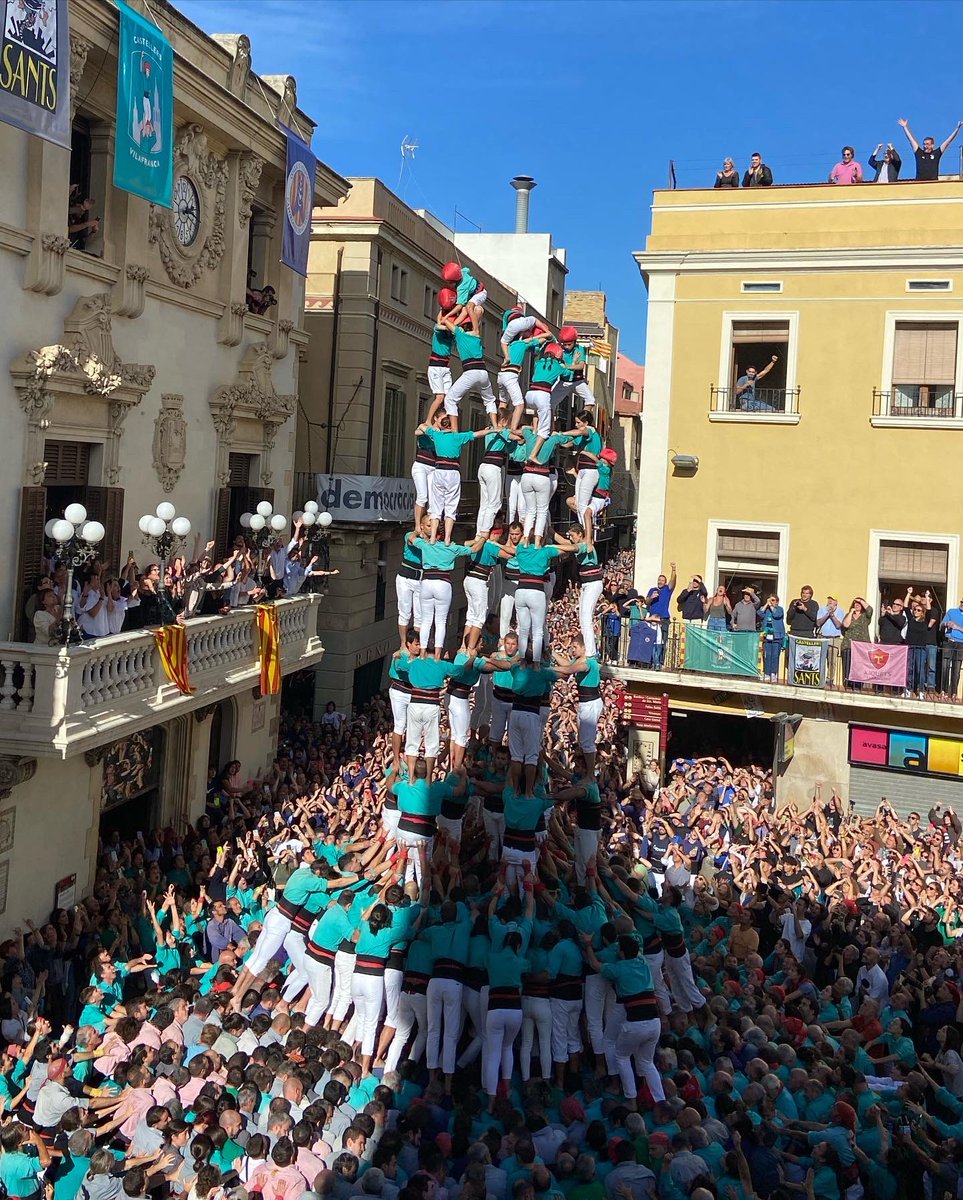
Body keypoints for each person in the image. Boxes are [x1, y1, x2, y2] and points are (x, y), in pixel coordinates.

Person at [898, 116, 963, 181]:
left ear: (932, 145)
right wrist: (905, 127)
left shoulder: (936, 153)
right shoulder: (919, 153)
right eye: (924, 144)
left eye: (927, 144)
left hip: (933, 183)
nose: (925, 146)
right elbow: (911, 140)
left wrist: (957, 128)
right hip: (919, 183)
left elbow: (948, 141)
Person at [645, 562, 676, 669]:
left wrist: (674, 570)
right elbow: (646, 602)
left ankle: (660, 662)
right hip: (652, 619)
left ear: (665, 582)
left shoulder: (667, 589)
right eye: (659, 580)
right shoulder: (652, 590)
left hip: (663, 619)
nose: (660, 582)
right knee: (651, 640)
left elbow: (673, 582)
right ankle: (651, 661)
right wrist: (652, 597)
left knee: (662, 640)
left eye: (662, 580)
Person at [816, 594, 845, 685]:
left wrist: (832, 615)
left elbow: (838, 625)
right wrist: (827, 614)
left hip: (834, 638)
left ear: (836, 602)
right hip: (822, 637)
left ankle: (830, 679)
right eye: (829, 600)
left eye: (832, 600)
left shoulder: (840, 611)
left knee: (832, 661)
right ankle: (819, 678)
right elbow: (818, 623)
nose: (830, 602)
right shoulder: (822, 609)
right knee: (820, 659)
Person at [940, 597, 963, 699]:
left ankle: (954, 693)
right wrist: (946, 623)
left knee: (956, 668)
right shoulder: (951, 611)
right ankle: (943, 691)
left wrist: (957, 627)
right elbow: (941, 625)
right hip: (949, 642)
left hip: (960, 644)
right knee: (945, 666)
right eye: (962, 602)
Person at [760, 594, 785, 682]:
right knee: (767, 655)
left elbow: (776, 615)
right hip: (767, 636)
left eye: (773, 600)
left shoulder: (779, 609)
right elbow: (760, 613)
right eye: (771, 600)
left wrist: (771, 606)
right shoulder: (767, 610)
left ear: (777, 602)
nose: (771, 602)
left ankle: (773, 673)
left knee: (775, 655)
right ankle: (766, 673)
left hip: (777, 636)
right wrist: (766, 604)